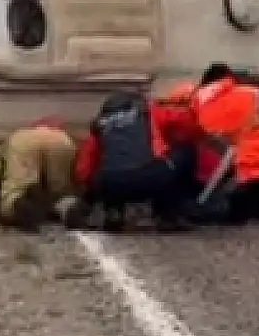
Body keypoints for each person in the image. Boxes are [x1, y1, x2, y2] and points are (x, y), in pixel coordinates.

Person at [72, 85, 201, 232]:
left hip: (111, 185)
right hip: (149, 179)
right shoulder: (151, 113)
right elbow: (187, 124)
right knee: (184, 151)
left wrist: (92, 193)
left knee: (110, 171)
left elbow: (84, 169)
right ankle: (168, 215)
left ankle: (114, 212)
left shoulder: (99, 126)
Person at [187, 65, 259, 224]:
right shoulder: (250, 92)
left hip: (254, 167)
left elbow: (205, 135)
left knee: (228, 201)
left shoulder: (210, 99)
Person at [0, 120, 80, 231]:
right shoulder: (61, 136)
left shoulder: (21, 136)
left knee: (14, 194)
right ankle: (70, 210)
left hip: (25, 144)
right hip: (62, 143)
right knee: (62, 194)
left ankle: (17, 206)